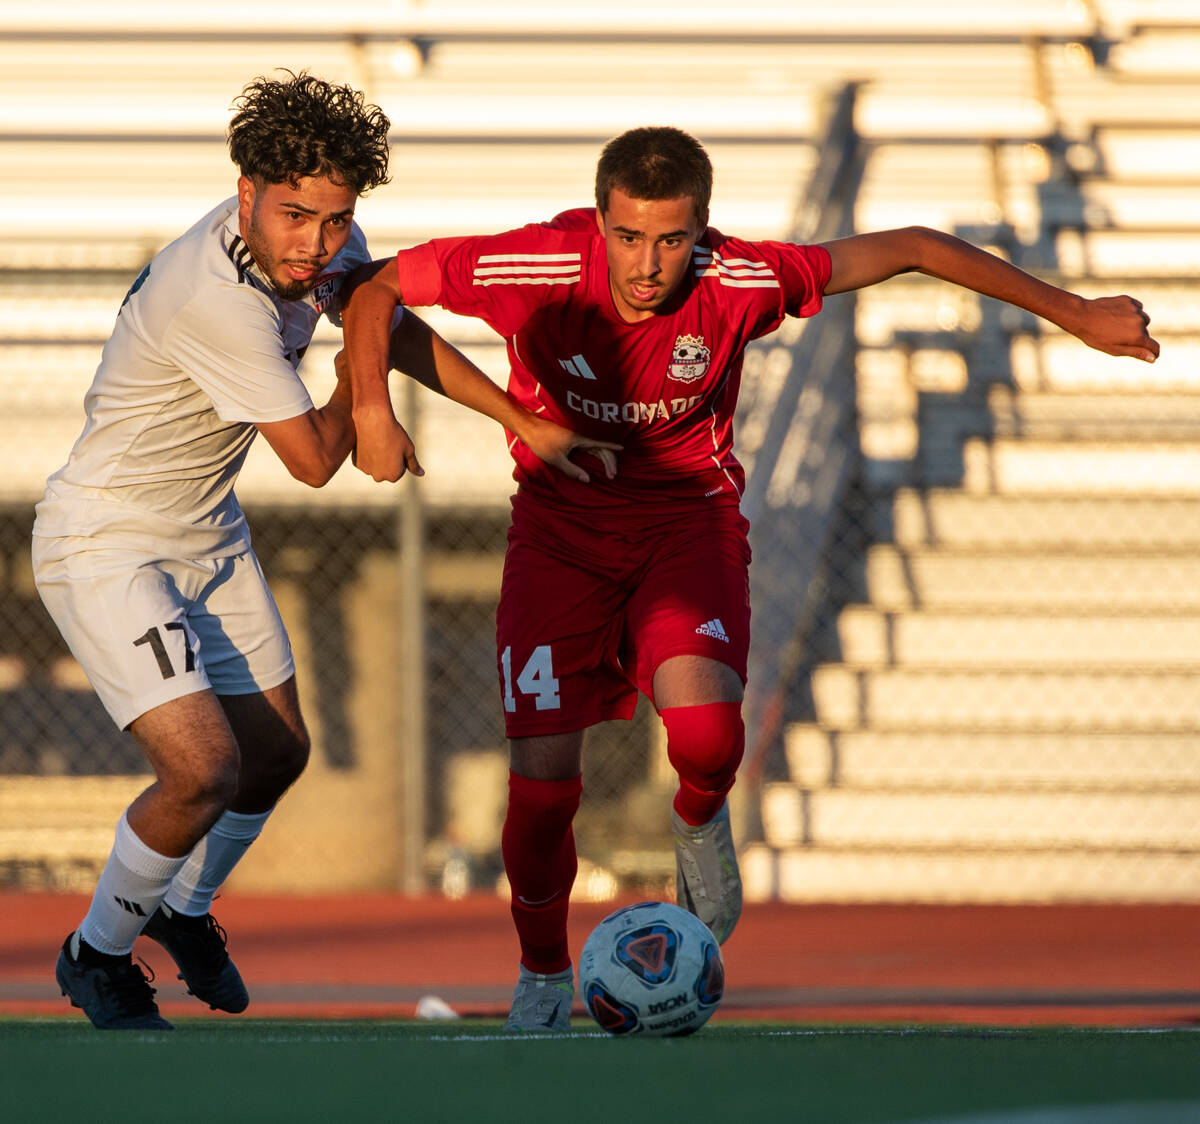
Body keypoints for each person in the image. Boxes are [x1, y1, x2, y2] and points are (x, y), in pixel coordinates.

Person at [340, 126, 1160, 1033]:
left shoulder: (740, 278)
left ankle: (698, 822)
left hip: (685, 528)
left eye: (671, 239)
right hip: (558, 541)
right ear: (599, 219)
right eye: (627, 236)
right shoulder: (534, 264)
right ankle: (541, 974)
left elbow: (914, 248)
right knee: (540, 790)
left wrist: (1073, 312)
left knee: (704, 739)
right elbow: (373, 288)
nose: (647, 265)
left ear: (702, 228)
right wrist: (373, 406)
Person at [34, 71, 613, 1032]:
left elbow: (390, 324)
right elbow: (313, 460)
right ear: (246, 191)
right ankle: (95, 955)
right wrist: (361, 386)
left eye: (336, 220)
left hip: (203, 530)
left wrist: (520, 419)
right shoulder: (213, 296)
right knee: (201, 771)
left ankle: (183, 911)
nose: (316, 243)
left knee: (277, 753)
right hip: (107, 541)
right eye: (295, 216)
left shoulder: (324, 249)